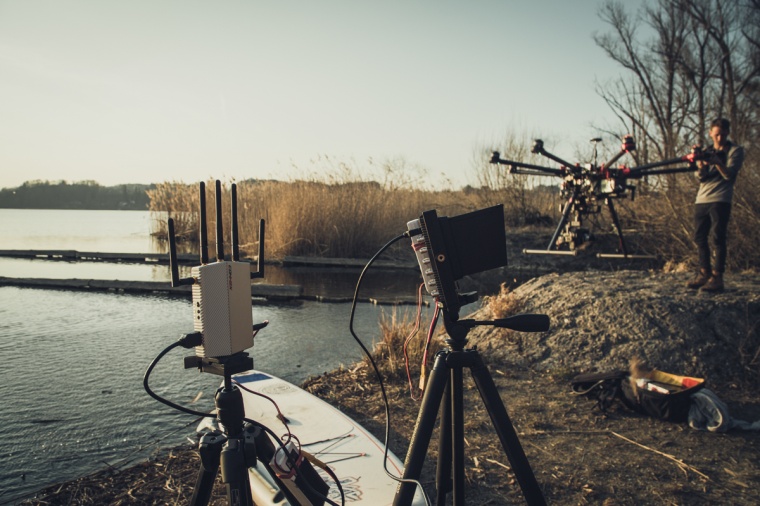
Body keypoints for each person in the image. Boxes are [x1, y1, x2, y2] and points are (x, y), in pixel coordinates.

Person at [686, 118, 745, 292]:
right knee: (699, 237)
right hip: (702, 199)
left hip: (721, 198)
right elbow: (701, 177)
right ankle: (704, 273)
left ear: (728, 133)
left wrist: (717, 162)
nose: (719, 138)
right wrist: (702, 163)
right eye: (716, 134)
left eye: (723, 134)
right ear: (710, 133)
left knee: (718, 237)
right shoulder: (707, 151)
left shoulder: (735, 151)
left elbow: (729, 175)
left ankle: (717, 277)